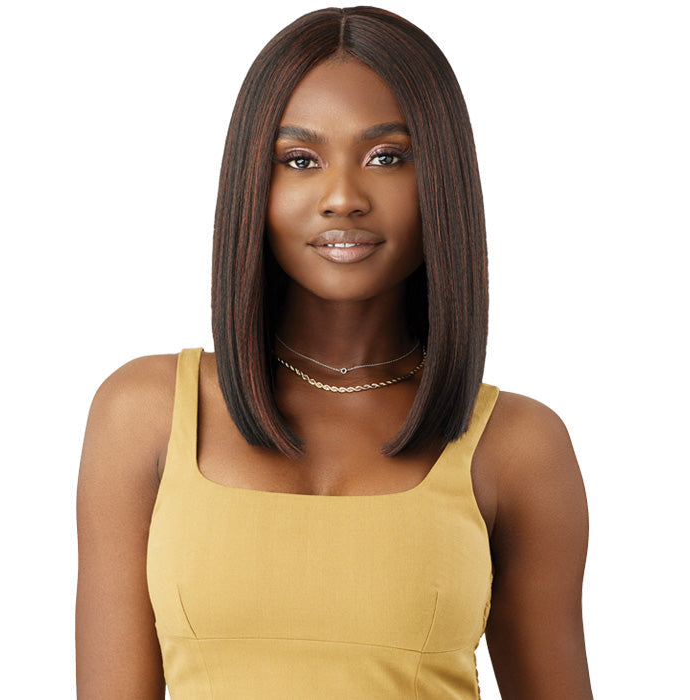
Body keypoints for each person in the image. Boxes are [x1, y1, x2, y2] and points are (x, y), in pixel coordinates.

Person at [76, 6, 593, 699]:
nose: (343, 198)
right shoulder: (144, 414)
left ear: (440, 180)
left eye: (387, 157)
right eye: (300, 160)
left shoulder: (518, 444)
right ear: (253, 185)